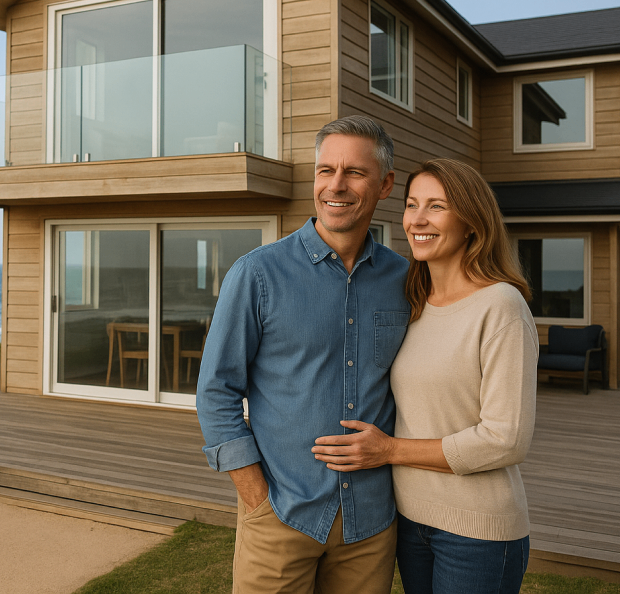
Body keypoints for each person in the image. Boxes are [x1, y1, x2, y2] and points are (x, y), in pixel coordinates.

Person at [196, 115, 410, 594]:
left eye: (354, 172)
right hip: (281, 513)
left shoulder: (406, 279)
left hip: (371, 524)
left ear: (386, 184)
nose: (336, 185)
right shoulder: (257, 274)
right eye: (325, 170)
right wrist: (256, 498)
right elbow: (216, 391)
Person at [312, 158, 537, 594]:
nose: (418, 219)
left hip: (478, 531)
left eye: (437, 207)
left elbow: (507, 439)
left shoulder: (501, 307)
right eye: (412, 204)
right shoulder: (414, 301)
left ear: (471, 221)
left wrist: (389, 450)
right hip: (411, 522)